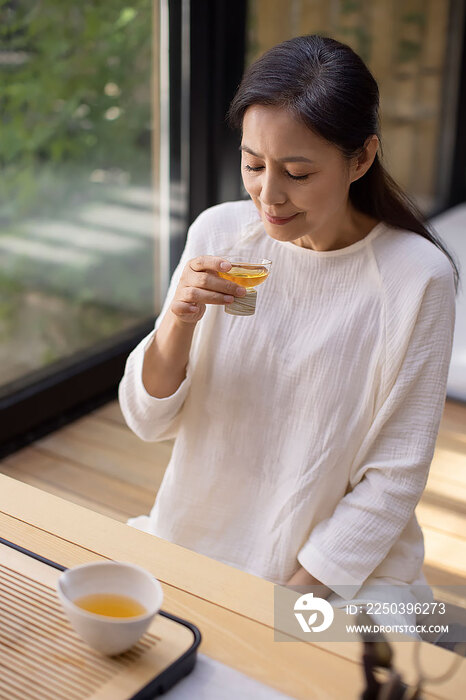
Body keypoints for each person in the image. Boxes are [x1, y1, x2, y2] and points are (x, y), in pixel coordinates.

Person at [119, 35, 459, 631]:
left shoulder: (416, 278)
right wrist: (177, 320)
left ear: (361, 158)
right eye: (254, 164)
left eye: (298, 173)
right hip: (200, 542)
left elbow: (394, 476)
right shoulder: (220, 235)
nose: (268, 197)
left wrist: (285, 609)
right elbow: (147, 421)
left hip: (338, 576)